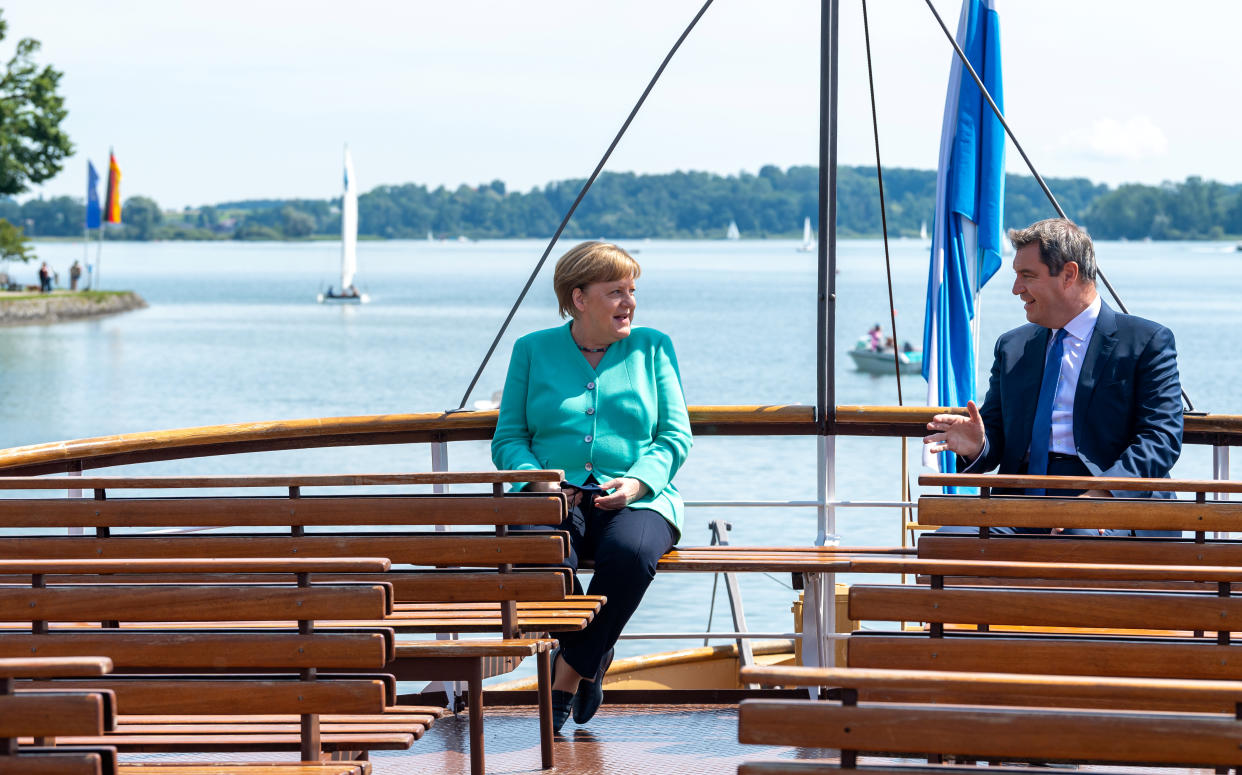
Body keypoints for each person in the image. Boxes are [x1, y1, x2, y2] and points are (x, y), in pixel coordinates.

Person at [492, 241, 692, 731]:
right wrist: (536, 480)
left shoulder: (653, 347)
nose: (630, 302)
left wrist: (638, 482)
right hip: (550, 498)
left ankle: (567, 674)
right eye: (616, 291)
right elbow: (509, 438)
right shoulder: (531, 350)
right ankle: (593, 657)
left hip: (639, 496)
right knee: (541, 557)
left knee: (630, 554)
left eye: (632, 290)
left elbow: (674, 435)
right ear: (579, 298)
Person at [924, 218, 1182, 536]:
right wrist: (978, 445)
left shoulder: (1146, 341)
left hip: (1112, 502)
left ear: (1069, 275)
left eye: (1027, 276)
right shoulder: (1012, 346)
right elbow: (995, 436)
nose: (1016, 289)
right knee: (950, 540)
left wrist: (1103, 496)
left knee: (1077, 539)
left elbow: (1161, 438)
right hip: (1019, 504)